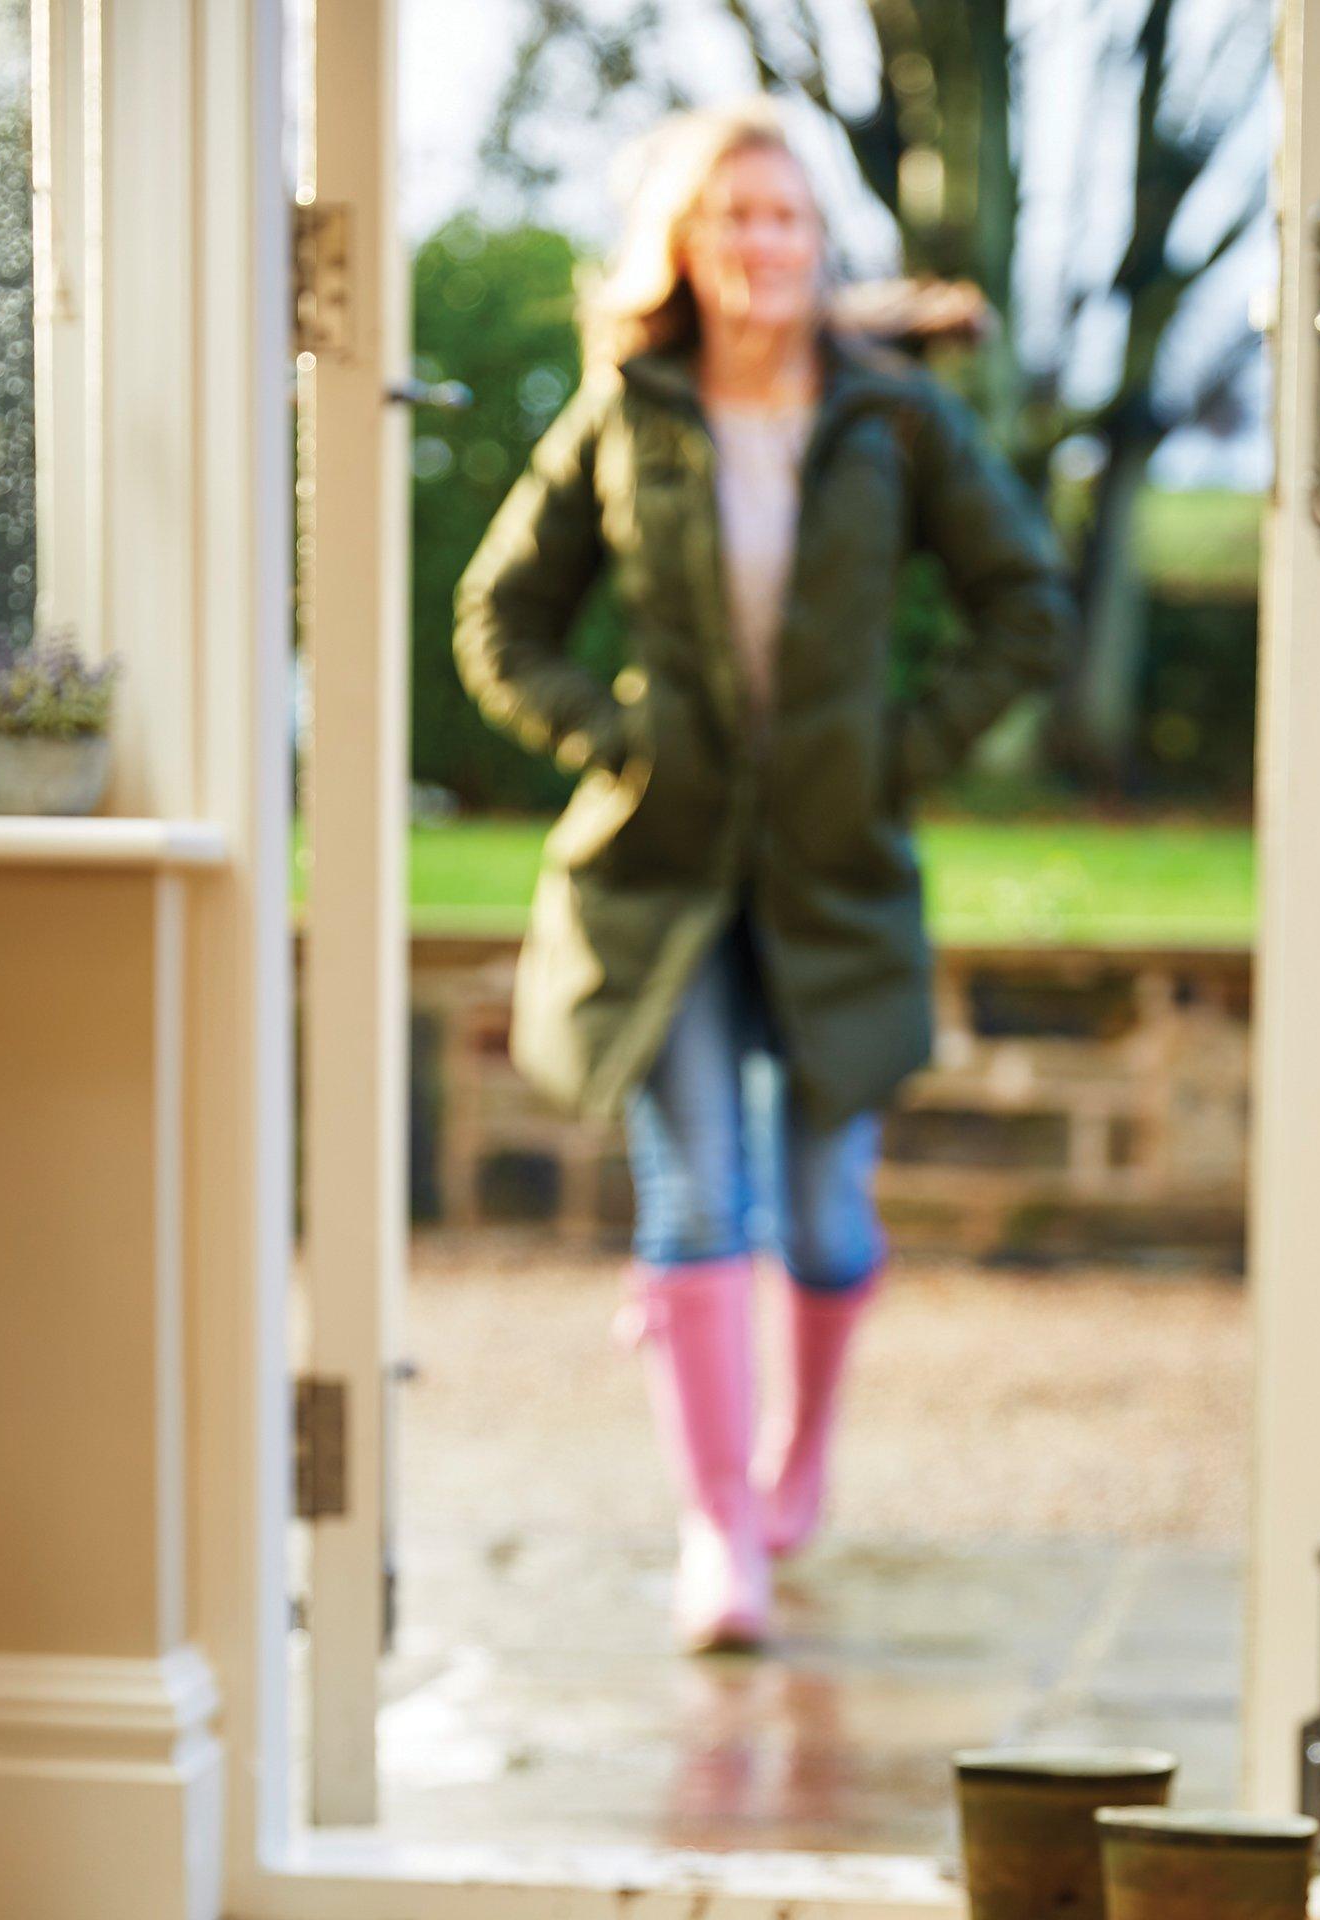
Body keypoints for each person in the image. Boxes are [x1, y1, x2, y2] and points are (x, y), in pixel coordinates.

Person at [454, 101, 1071, 1652]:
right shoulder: (627, 411)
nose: (760, 243)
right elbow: (499, 620)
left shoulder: (894, 420)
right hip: (660, 880)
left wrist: (896, 754)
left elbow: (1025, 605)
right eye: (730, 216)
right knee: (696, 1191)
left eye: (783, 216)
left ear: (816, 241)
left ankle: (797, 1461)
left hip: (834, 875)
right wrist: (614, 737)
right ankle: (717, 1529)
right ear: (684, 244)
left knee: (822, 1216)